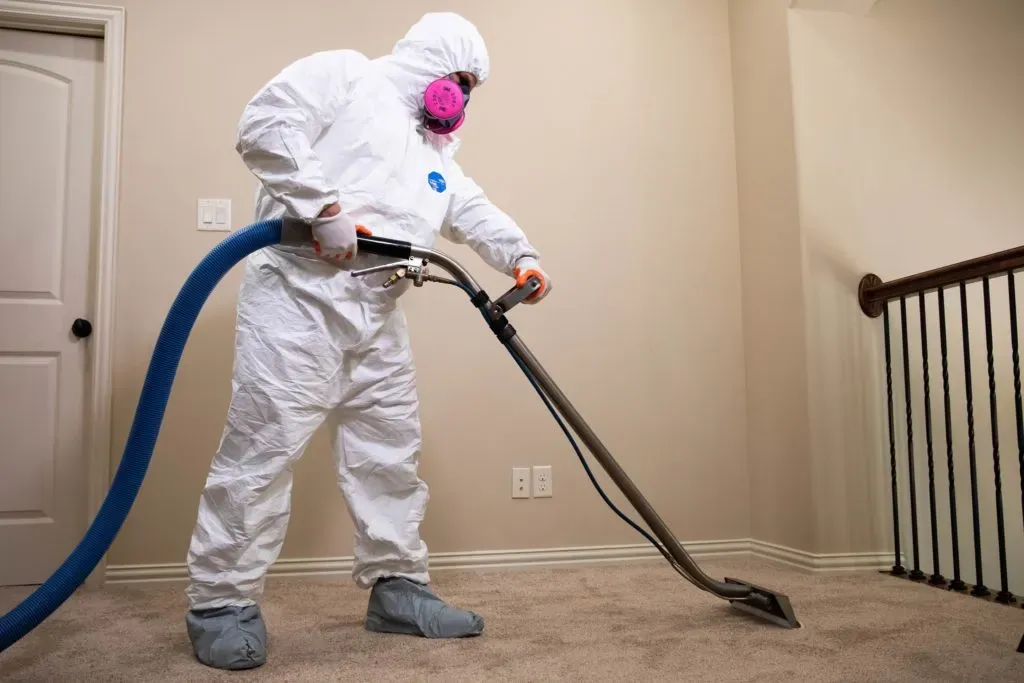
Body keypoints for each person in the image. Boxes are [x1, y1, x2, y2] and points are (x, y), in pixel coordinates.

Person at [182, 12, 552, 671]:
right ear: (432, 63)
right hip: (299, 298)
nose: (462, 99)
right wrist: (323, 209)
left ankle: (397, 587)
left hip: (378, 310)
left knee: (389, 453)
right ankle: (220, 602)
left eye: (473, 88)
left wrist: (519, 255)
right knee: (262, 451)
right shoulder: (349, 75)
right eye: (460, 81)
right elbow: (265, 124)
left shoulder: (436, 154)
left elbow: (468, 206)